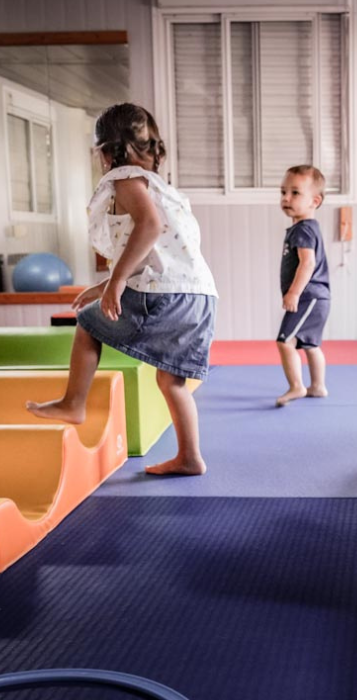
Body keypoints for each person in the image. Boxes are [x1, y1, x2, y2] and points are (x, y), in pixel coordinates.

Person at [26, 103, 218, 477]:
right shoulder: (165, 189)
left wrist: (115, 283)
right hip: (199, 295)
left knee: (87, 324)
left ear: (107, 150)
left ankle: (73, 403)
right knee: (172, 381)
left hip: (162, 294)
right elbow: (158, 251)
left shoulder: (125, 178)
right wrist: (104, 284)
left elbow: (149, 227)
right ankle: (190, 457)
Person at [276, 164, 331, 407]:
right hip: (319, 297)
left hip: (309, 296)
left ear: (315, 201)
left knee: (285, 341)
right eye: (283, 192)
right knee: (310, 344)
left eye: (295, 193)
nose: (286, 198)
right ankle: (317, 386)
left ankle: (297, 386)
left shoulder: (303, 230)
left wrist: (294, 293)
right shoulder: (308, 228)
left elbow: (307, 264)